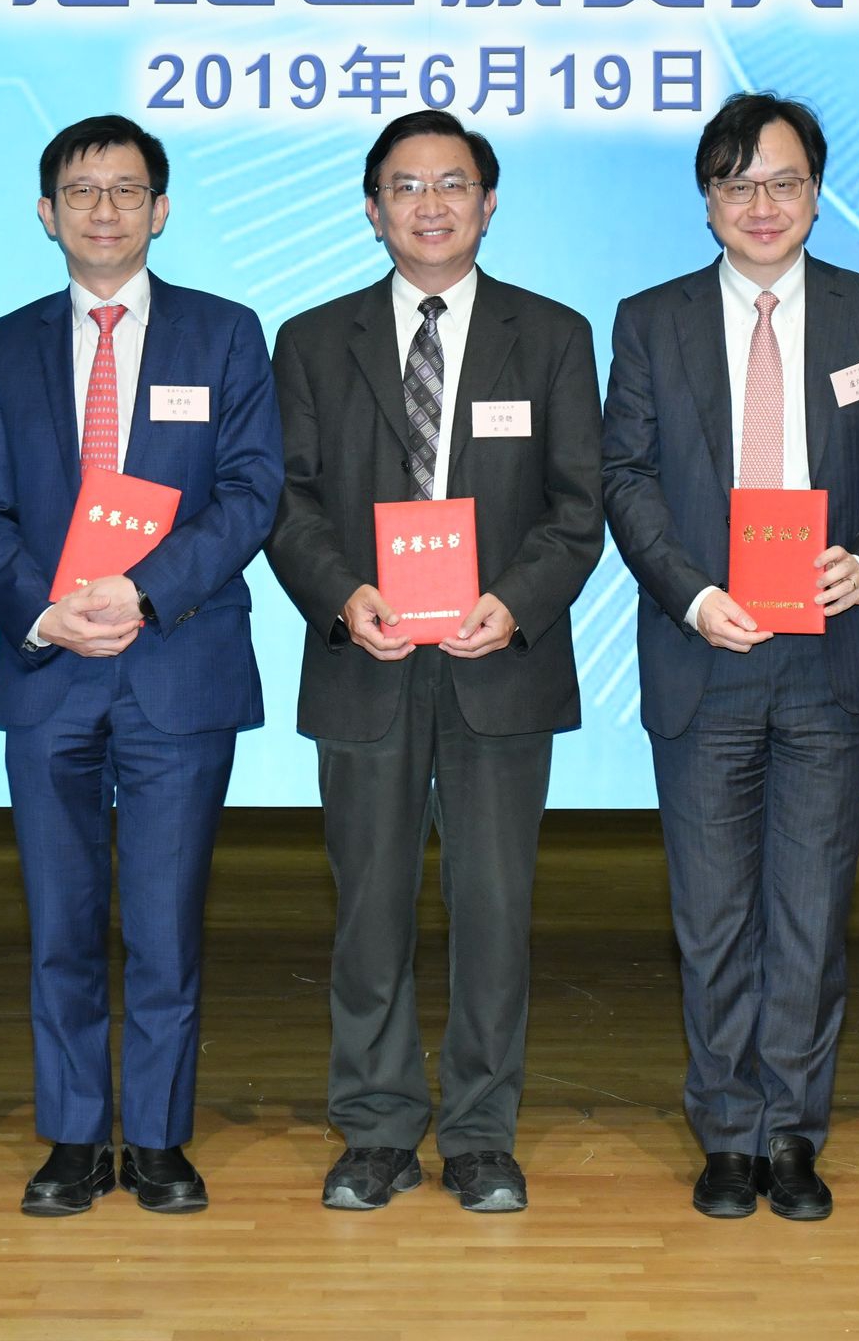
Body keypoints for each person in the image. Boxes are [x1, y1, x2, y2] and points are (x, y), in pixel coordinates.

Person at [600, 92, 859, 1222]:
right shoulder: (651, 320)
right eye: (738, 183)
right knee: (711, 915)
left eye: (784, 181)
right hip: (707, 653)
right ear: (707, 199)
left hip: (830, 653)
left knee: (808, 908)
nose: (762, 204)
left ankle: (792, 1135)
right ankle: (727, 1135)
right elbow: (626, 481)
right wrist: (692, 594)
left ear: (816, 192)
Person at [265, 112, 606, 1214]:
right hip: (367, 662)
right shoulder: (314, 339)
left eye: (452, 183)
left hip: (497, 663)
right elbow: (290, 497)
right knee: (369, 907)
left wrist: (513, 603)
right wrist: (339, 592)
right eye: (404, 185)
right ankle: (372, 1127)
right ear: (372, 209)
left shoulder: (551, 335)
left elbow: (577, 507)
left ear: (489, 201)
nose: (430, 203)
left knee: (495, 908)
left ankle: (479, 1134)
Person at [0, 114, 284, 1218]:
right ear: (47, 213)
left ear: (163, 208)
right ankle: (70, 1135)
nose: (105, 209)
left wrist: (143, 591)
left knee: (163, 921)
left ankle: (156, 1136)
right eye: (82, 192)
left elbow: (250, 492)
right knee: (58, 923)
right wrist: (43, 612)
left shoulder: (226, 334)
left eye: (127, 190)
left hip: (175, 664)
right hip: (52, 668)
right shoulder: (5, 345)